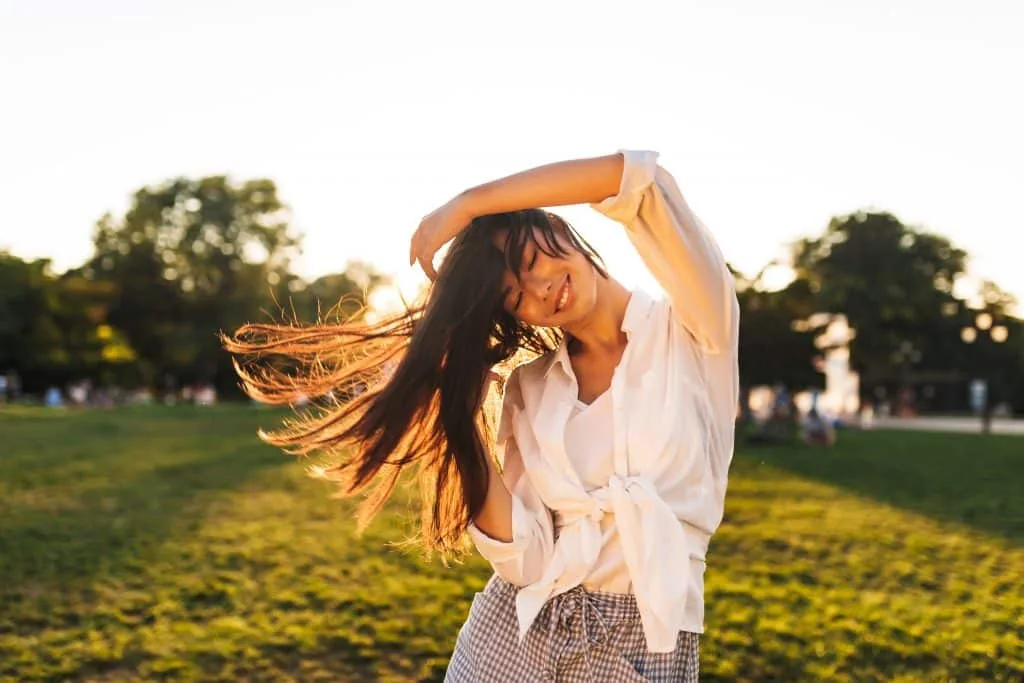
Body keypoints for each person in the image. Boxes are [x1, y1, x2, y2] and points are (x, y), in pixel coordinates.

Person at [223, 150, 739, 681]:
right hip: (512, 636)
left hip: (644, 646)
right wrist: (460, 423)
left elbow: (641, 180)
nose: (541, 290)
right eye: (516, 295)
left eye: (534, 262)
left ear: (556, 224)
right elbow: (528, 557)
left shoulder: (698, 331)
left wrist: (472, 204)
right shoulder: (532, 387)